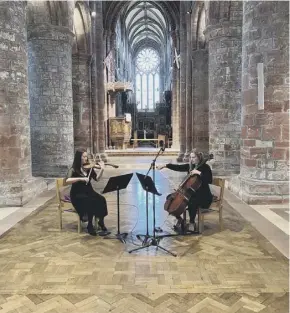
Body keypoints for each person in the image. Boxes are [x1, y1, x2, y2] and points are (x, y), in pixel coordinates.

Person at [157, 149, 213, 231]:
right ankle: (179, 219)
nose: (191, 159)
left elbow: (209, 180)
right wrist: (165, 165)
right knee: (170, 198)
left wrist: (199, 173)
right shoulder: (191, 167)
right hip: (192, 193)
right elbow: (178, 167)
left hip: (204, 195)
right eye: (190, 157)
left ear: (199, 157)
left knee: (192, 201)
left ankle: (192, 222)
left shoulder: (205, 167)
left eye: (193, 157)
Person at [65, 150, 108, 236]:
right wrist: (81, 178)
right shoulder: (73, 169)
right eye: (83, 157)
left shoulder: (89, 168)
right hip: (77, 194)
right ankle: (89, 226)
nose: (86, 158)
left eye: (86, 156)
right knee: (90, 201)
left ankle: (101, 221)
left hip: (89, 191)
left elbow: (97, 179)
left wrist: (102, 169)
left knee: (101, 199)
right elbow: (67, 180)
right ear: (78, 158)